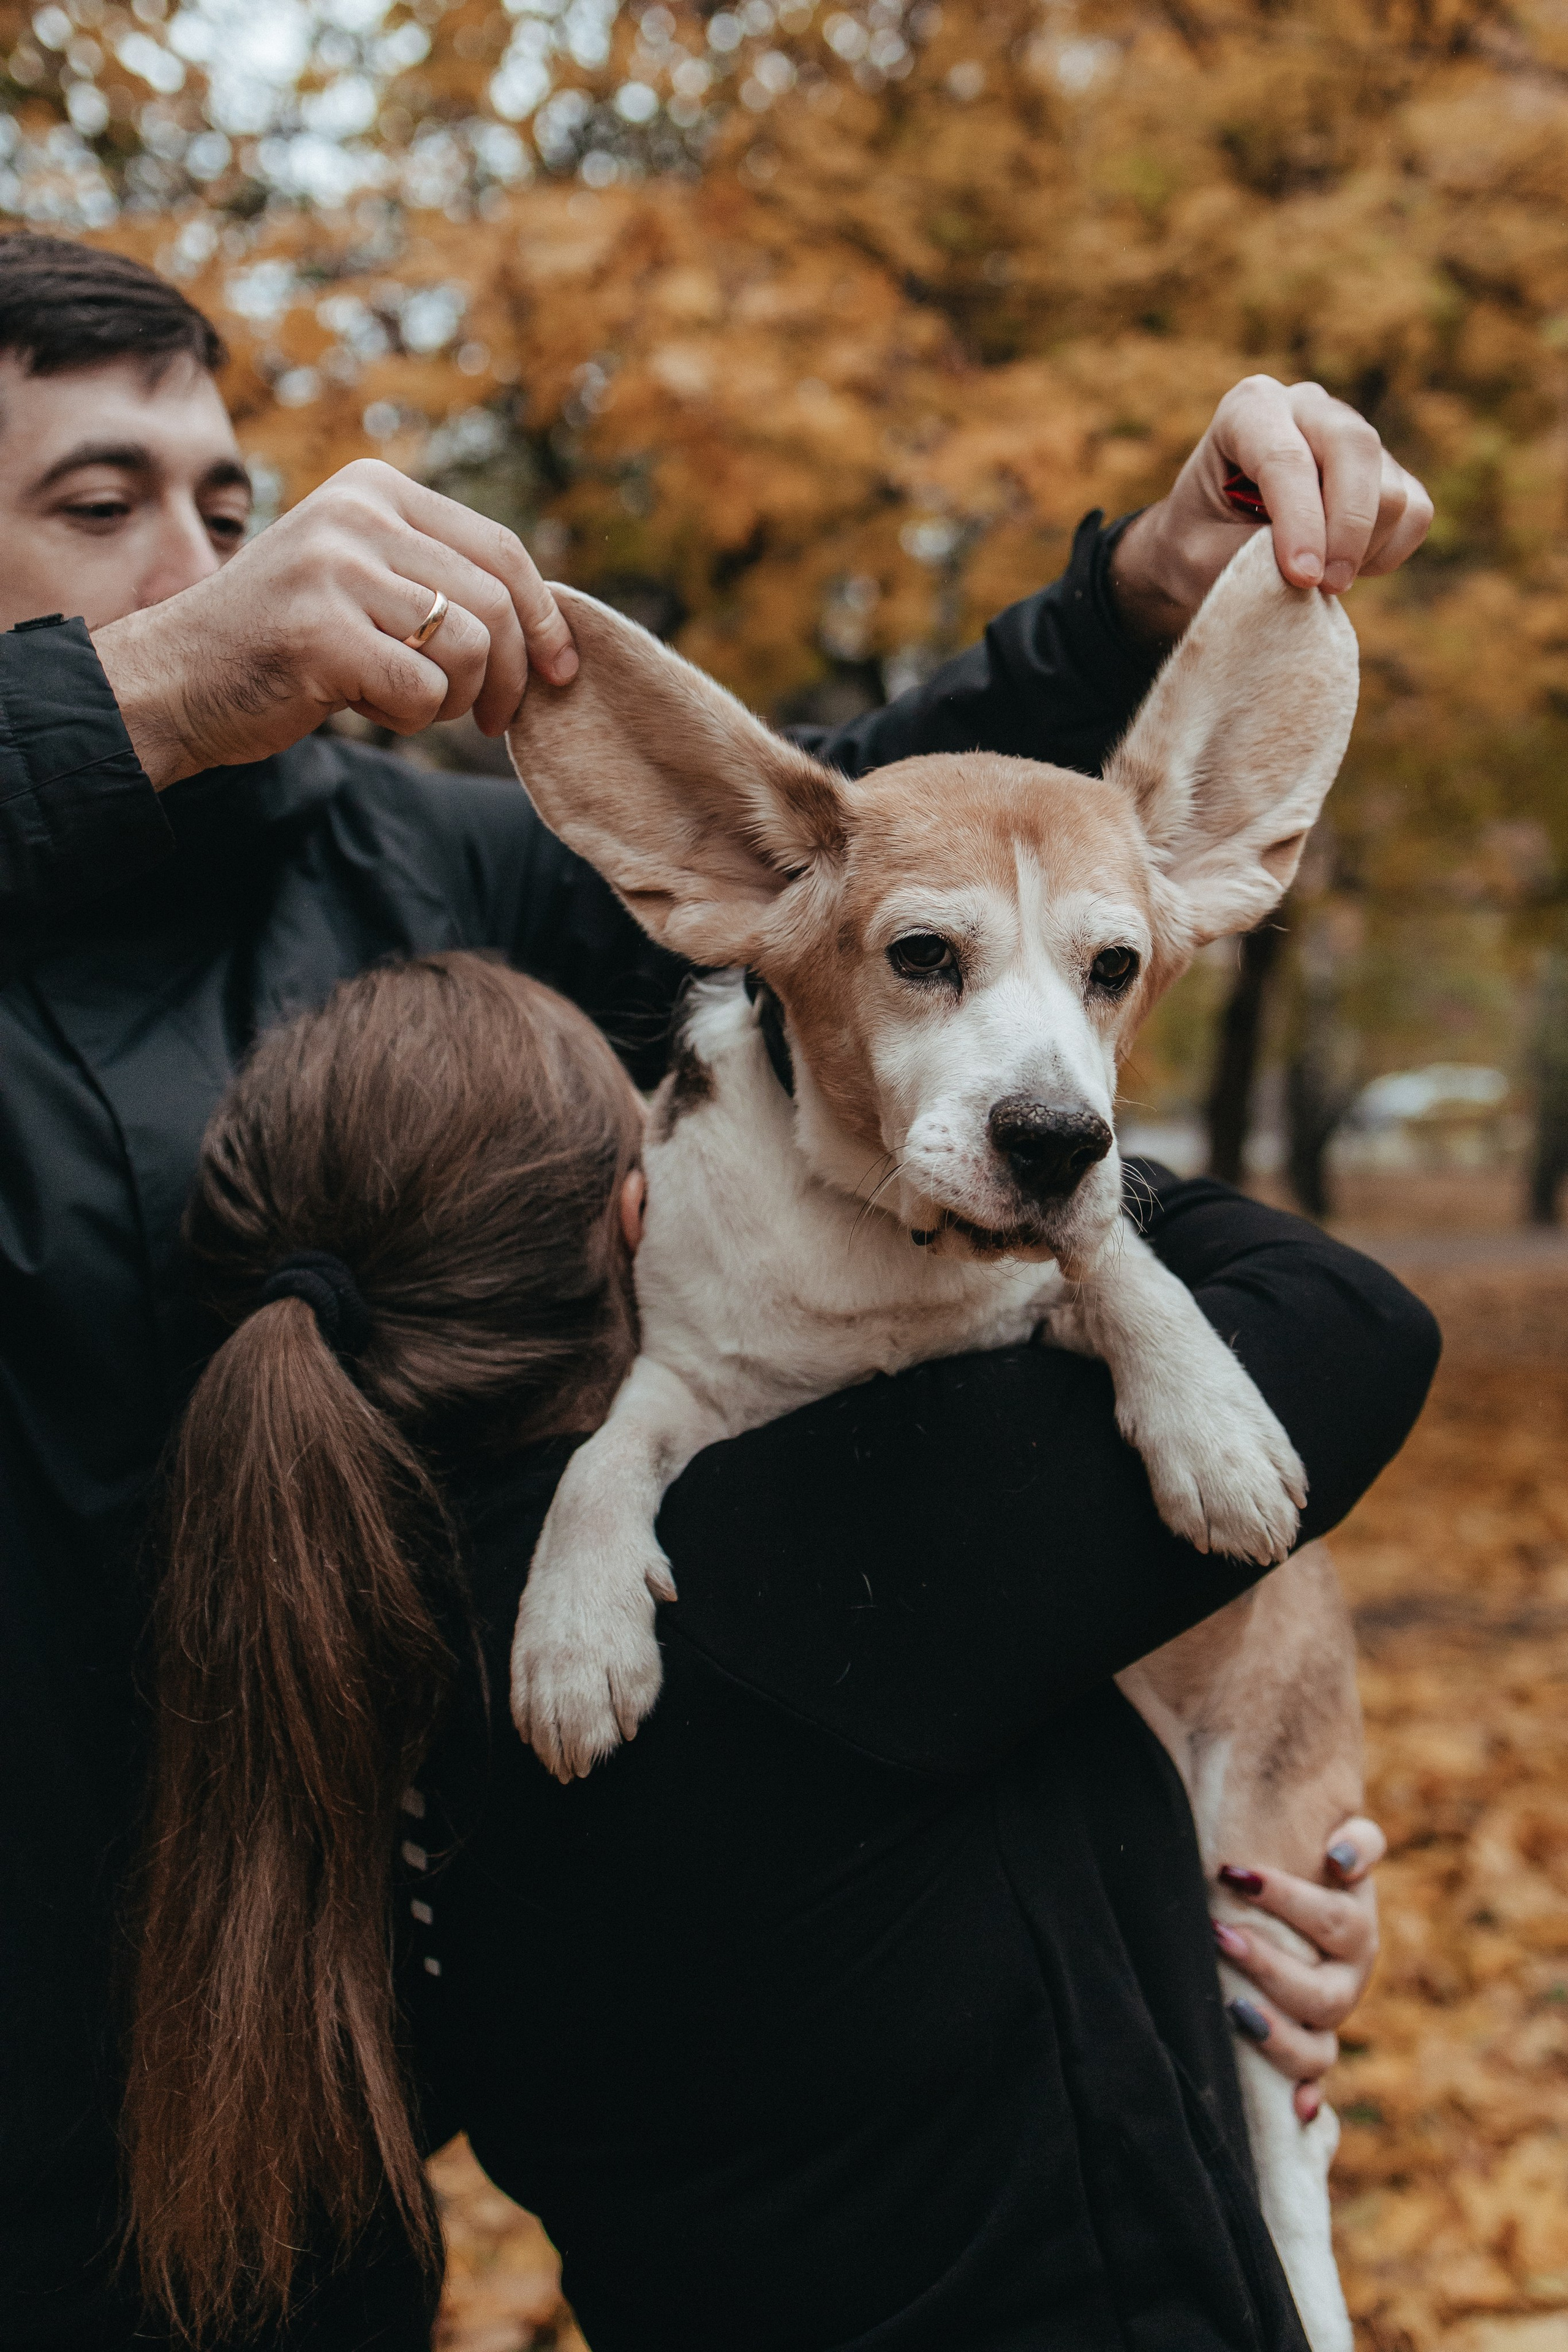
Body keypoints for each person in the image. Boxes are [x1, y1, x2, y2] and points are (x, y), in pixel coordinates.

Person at [0, 225, 1431, 2348]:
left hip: (374, 2037)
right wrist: (128, 705)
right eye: (98, 506)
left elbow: (831, 852)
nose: (208, 555)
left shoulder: (402, 852)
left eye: (231, 498)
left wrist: (1125, 607)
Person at [124, 953, 1438, 2351]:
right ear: (636, 1210)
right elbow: (1345, 1323)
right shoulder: (826, 1557)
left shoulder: (316, 1655)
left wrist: (1193, 1934)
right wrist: (1029, 1078)